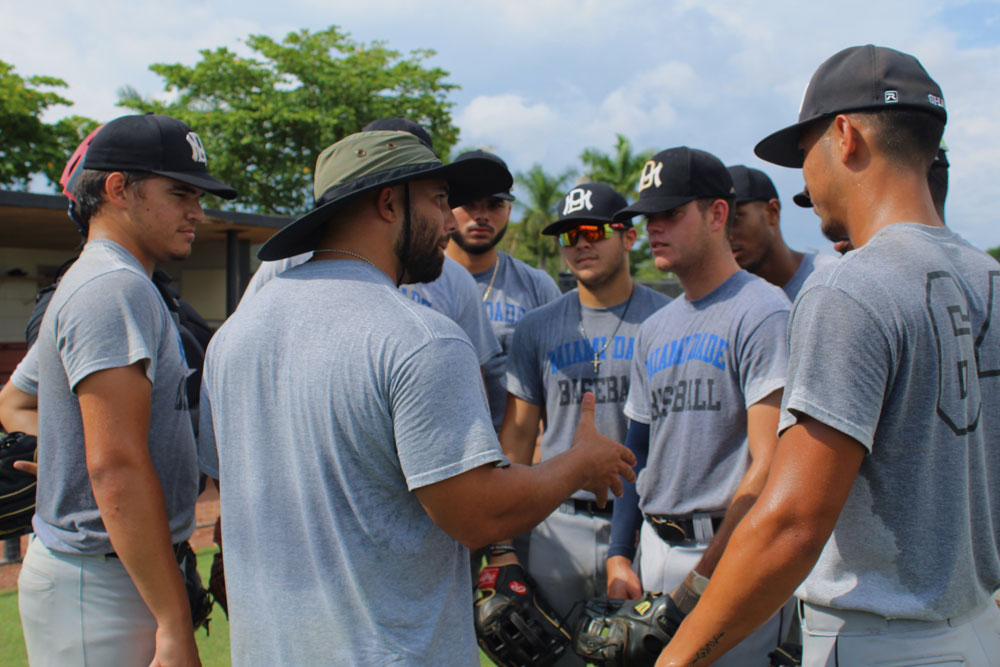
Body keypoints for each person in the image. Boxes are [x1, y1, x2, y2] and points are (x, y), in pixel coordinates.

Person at [197, 131, 637, 665]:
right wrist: (579, 465)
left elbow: (227, 486)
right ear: (388, 203)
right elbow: (478, 514)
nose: (450, 222)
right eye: (437, 200)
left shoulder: (234, 336)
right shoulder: (421, 337)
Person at [655, 45, 1000, 667]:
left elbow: (792, 524)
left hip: (880, 636)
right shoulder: (987, 275)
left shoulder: (850, 284)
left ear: (844, 136)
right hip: (977, 627)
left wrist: (677, 657)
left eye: (804, 151)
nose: (805, 178)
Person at [0, 113, 236, 666]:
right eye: (179, 192)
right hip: (103, 580)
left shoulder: (112, 279)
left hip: (119, 569)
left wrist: (64, 458)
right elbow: (116, 468)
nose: (196, 211)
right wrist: (174, 621)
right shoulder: (112, 288)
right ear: (117, 190)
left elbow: (15, 401)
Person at [605, 147, 792, 666]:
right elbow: (635, 453)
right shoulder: (655, 328)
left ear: (716, 213)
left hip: (732, 550)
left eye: (671, 213)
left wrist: (706, 573)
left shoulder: (762, 311)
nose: (653, 229)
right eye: (648, 217)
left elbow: (769, 463)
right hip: (656, 549)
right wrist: (621, 554)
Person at [491, 183, 669, 633]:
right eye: (570, 235)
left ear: (629, 237)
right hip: (557, 522)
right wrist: (503, 547)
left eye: (593, 230)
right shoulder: (537, 326)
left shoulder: (666, 320)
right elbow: (516, 437)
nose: (582, 243)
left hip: (645, 524)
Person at [445, 150, 562, 429]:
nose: (481, 216)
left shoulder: (537, 286)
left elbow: (557, 384)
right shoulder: (413, 281)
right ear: (445, 206)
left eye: (494, 204)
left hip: (513, 459)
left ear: (509, 210)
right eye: (469, 203)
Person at [727, 165, 837, 300]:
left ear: (772, 212)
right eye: (719, 223)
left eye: (735, 217)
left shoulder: (831, 280)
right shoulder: (724, 300)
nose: (727, 235)